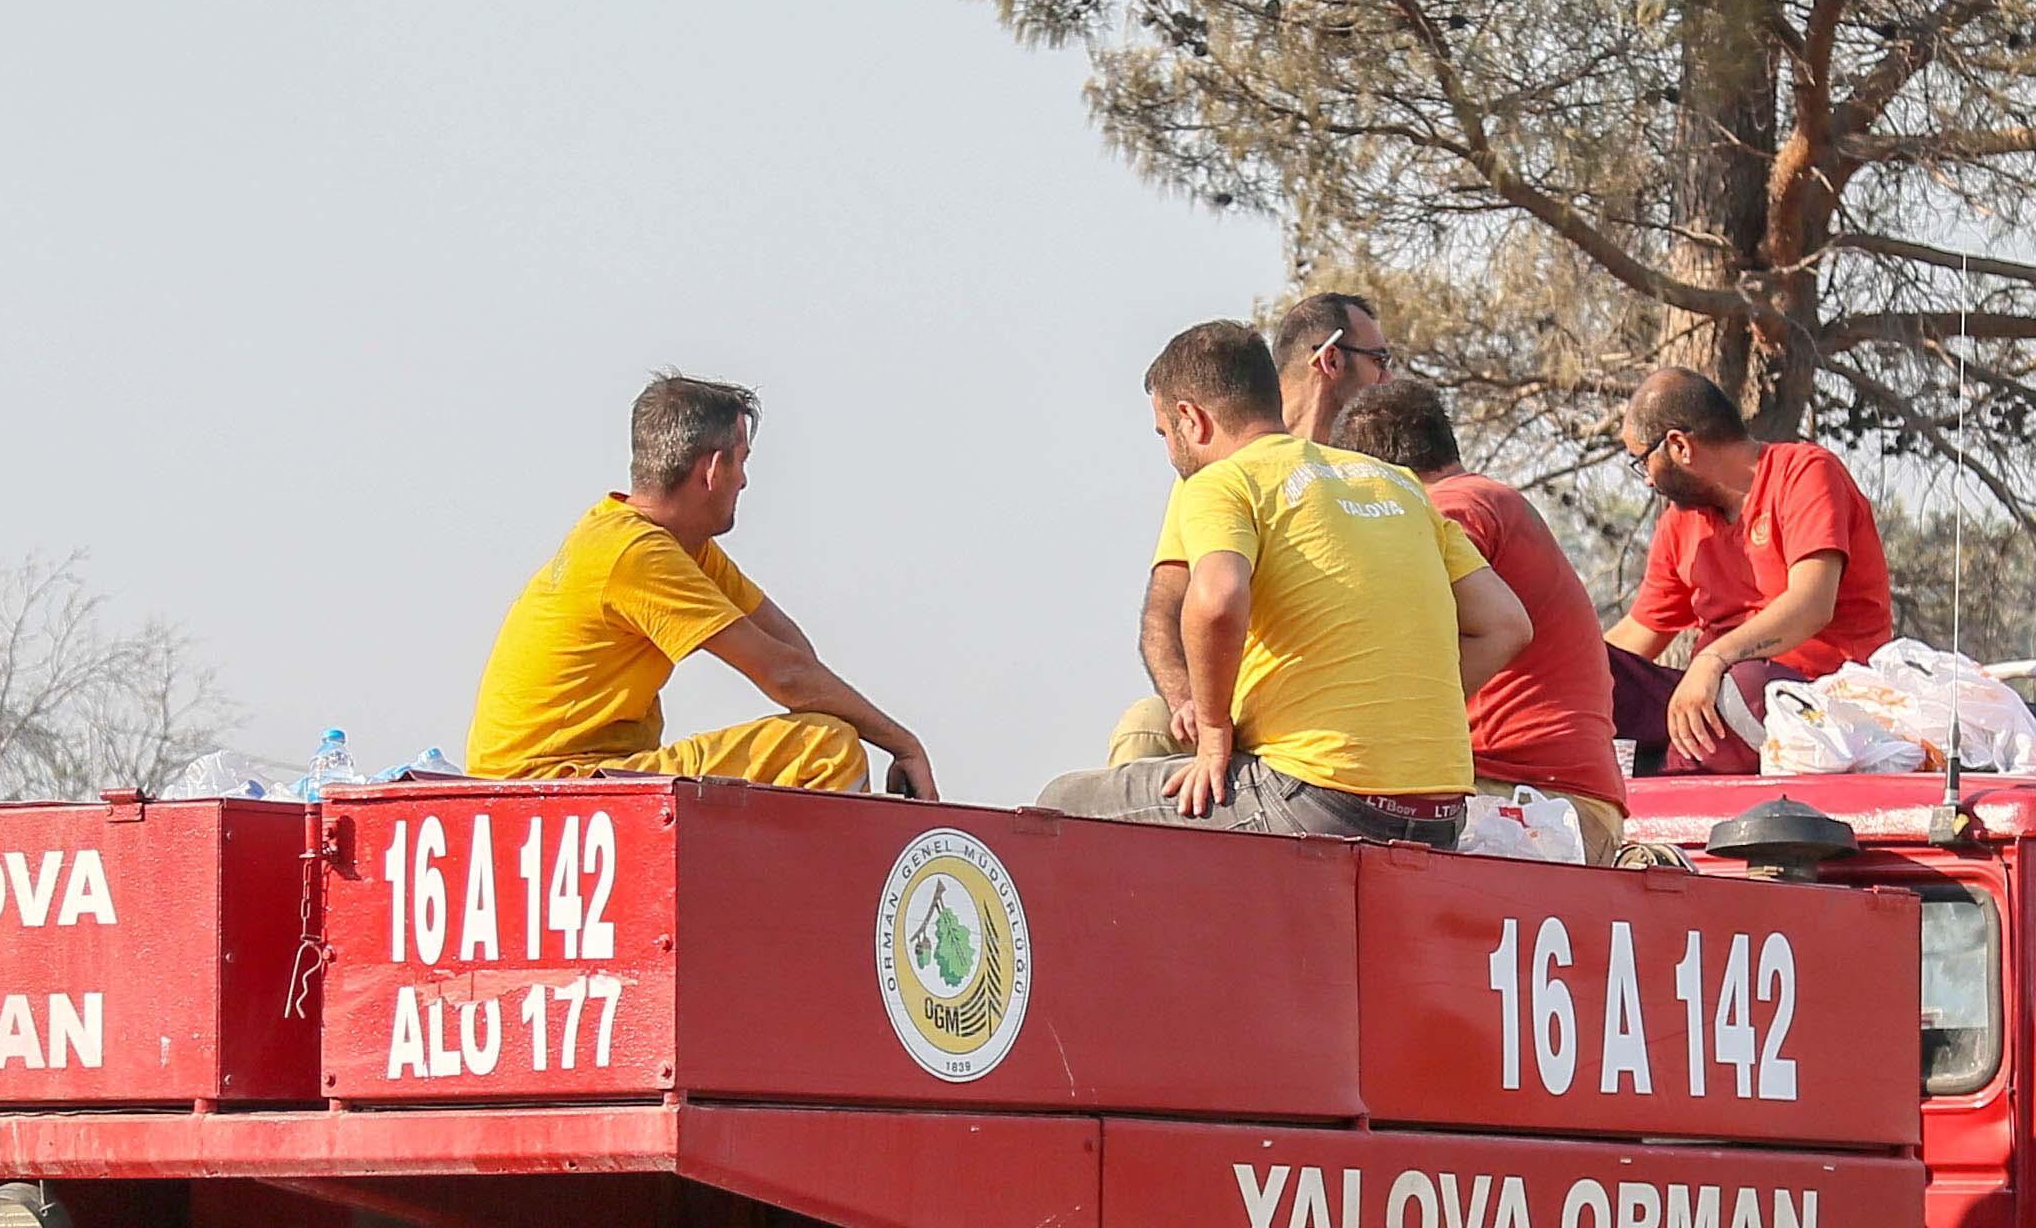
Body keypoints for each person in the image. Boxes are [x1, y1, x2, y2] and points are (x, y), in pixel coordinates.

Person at [1038, 320, 1531, 844]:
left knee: (1060, 805)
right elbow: (1507, 625)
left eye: (1164, 433)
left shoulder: (1223, 481)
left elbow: (1218, 599)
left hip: (1320, 801)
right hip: (1440, 815)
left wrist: (1212, 736)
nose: (1168, 452)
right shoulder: (1397, 483)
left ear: (1191, 419)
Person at [467, 375, 937, 795]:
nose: (745, 481)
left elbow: (792, 652)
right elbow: (785, 675)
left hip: (584, 771)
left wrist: (826, 704)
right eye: (741, 462)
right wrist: (903, 743)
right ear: (712, 471)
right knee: (825, 749)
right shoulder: (635, 555)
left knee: (822, 732)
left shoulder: (669, 543)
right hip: (546, 781)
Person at [1330, 375, 1629, 861]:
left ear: (1370, 478)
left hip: (1534, 802)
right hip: (1551, 799)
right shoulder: (1489, 500)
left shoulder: (1453, 508)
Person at [1130, 291, 1394, 734]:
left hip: (1338, 721)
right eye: (1380, 359)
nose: (1389, 380)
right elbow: (1167, 613)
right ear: (1331, 361)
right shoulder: (1215, 473)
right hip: (1233, 707)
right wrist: (1193, 706)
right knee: (1143, 727)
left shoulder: (1382, 479)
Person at [1611, 365, 1893, 774]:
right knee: (1599, 673)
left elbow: (1812, 603)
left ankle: (1663, 775)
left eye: (1642, 462)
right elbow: (1638, 636)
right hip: (1708, 704)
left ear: (1679, 447)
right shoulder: (1679, 523)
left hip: (1807, 702)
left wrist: (1712, 660)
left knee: (1743, 687)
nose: (1648, 482)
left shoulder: (1805, 472)